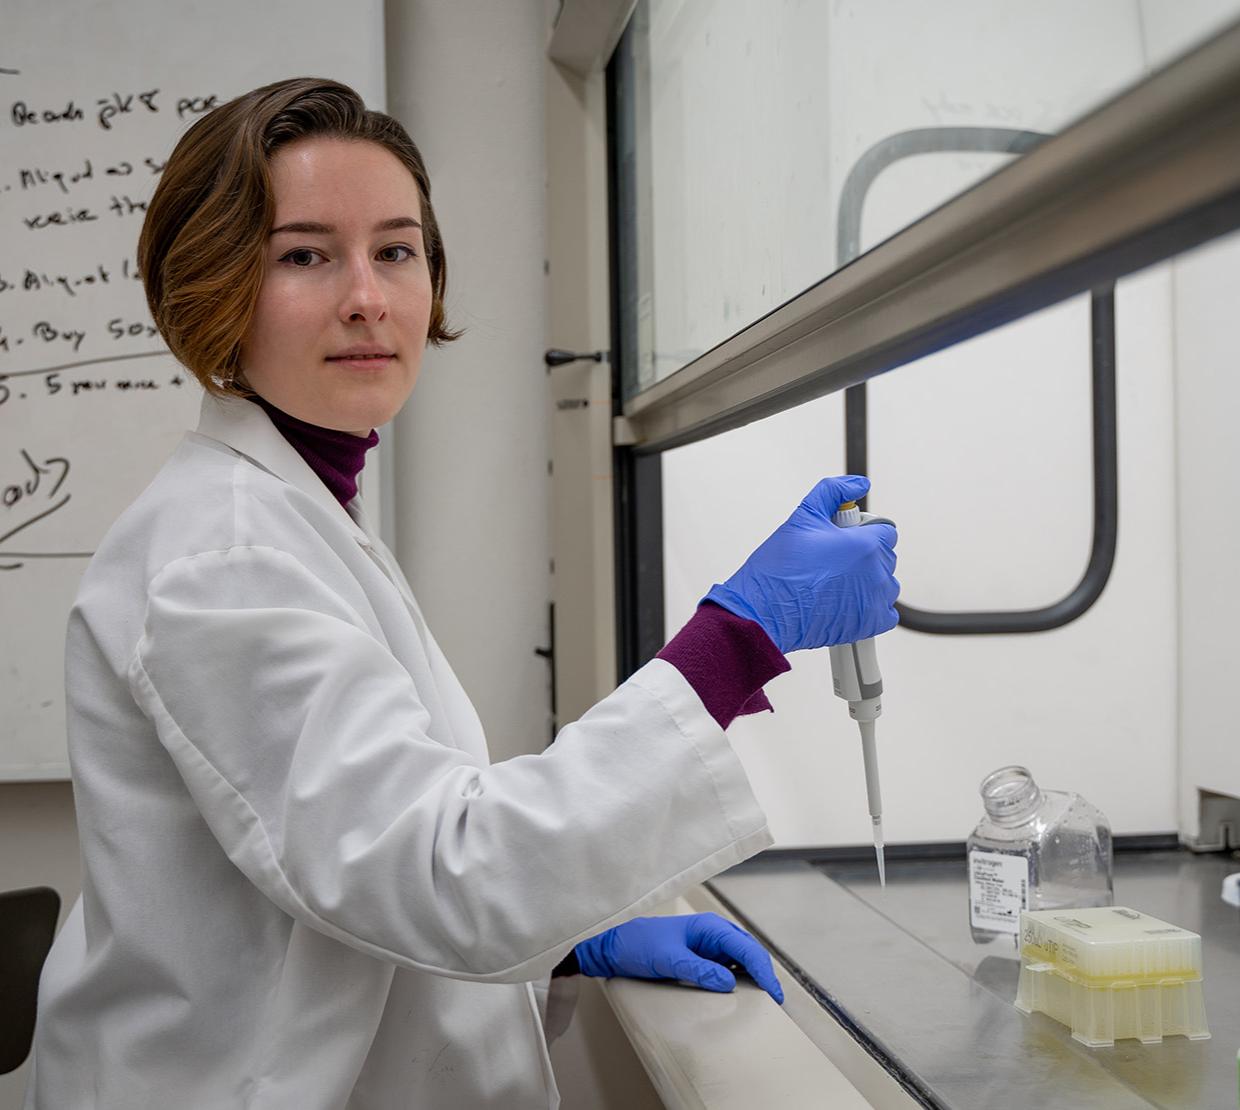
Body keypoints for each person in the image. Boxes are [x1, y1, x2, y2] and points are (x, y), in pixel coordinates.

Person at [24, 78, 899, 1109]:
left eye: (395, 250)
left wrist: (578, 943)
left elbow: (363, 868)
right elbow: (443, 877)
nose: (368, 296)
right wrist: (739, 634)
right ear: (214, 285)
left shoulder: (302, 515)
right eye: (305, 254)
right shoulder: (221, 560)